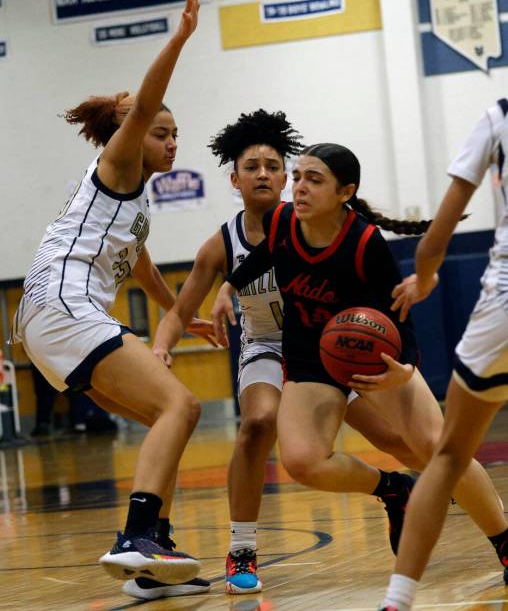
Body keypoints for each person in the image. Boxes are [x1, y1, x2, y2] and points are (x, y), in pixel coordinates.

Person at [152, 112, 427, 596]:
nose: (263, 174)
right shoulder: (221, 243)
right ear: (234, 179)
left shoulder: (314, 224)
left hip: (331, 349)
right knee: (258, 423)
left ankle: (404, 489)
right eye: (251, 166)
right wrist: (159, 347)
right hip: (265, 347)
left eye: (273, 166)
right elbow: (178, 312)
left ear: (286, 176)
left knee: (404, 442)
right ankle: (242, 547)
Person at [211, 142, 508, 588]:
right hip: (311, 360)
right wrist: (229, 286)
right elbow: (266, 254)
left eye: (315, 180)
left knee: (437, 448)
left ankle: (504, 541)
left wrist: (403, 368)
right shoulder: (280, 220)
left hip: (376, 357)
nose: (300, 188)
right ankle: (393, 488)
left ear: (345, 192)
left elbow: (400, 314)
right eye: (298, 178)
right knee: (302, 461)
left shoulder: (364, 242)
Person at [10, 0, 213, 590]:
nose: (170, 141)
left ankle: (151, 563)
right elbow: (147, 104)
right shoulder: (119, 162)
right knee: (183, 404)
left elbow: (142, 266)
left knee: (166, 420)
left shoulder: (129, 201)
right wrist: (180, 36)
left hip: (44, 319)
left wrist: (183, 310)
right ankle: (136, 536)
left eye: (176, 134)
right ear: (132, 133)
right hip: (67, 306)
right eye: (161, 131)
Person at [377, 98, 508, 611]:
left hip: (501, 308)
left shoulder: (498, 117)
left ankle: (398, 598)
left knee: (449, 455)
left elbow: (434, 239)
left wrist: (427, 277)